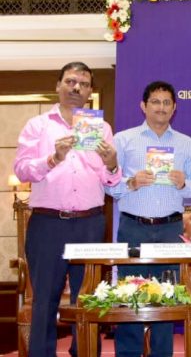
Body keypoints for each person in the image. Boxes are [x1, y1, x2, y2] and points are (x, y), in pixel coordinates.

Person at [14, 61, 121, 356]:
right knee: (45, 300)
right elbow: (21, 169)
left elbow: (111, 182)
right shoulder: (38, 126)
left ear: (90, 91)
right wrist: (53, 157)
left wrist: (112, 163)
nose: (76, 88)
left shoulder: (102, 128)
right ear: (58, 86)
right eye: (71, 82)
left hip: (89, 223)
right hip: (48, 224)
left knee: (87, 300)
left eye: (83, 84)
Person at [105, 81, 191, 357]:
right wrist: (131, 182)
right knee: (129, 295)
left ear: (174, 108)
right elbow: (109, 185)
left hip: (170, 228)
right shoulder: (123, 140)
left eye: (167, 103)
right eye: (155, 102)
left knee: (166, 299)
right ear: (143, 106)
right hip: (134, 227)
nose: (161, 107)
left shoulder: (186, 143)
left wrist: (184, 183)